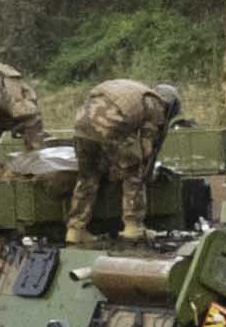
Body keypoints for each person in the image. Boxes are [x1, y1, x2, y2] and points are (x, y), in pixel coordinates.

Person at [65, 72, 183, 235]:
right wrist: (143, 167)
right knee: (134, 173)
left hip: (82, 125)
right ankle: (133, 226)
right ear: (170, 104)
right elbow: (146, 149)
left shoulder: (133, 90)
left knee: (87, 177)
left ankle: (75, 230)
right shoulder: (156, 103)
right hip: (112, 126)